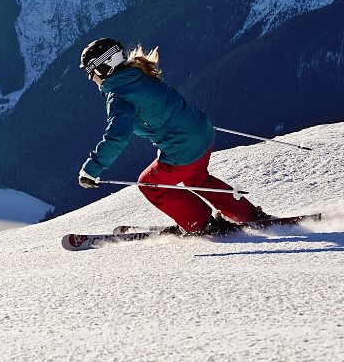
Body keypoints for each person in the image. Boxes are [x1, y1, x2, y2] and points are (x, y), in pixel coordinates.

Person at [76, 37, 263, 235]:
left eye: (90, 72)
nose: (90, 78)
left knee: (150, 184)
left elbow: (118, 136)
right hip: (201, 131)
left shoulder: (119, 94)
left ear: (104, 67)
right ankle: (248, 215)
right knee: (196, 179)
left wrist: (92, 168)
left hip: (183, 147)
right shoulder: (138, 74)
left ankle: (203, 225)